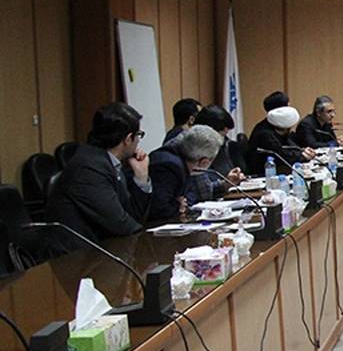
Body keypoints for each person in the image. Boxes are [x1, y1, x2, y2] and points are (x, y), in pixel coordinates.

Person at [45, 102, 152, 248]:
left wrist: (141, 177)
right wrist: (149, 237)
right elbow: (120, 224)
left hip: (100, 248)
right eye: (139, 135)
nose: (139, 141)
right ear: (128, 139)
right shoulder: (89, 167)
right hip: (75, 256)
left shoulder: (107, 162)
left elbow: (133, 216)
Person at [147, 125, 224, 221]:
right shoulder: (170, 166)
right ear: (204, 162)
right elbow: (159, 209)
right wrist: (178, 205)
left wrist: (182, 202)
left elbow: (190, 196)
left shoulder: (183, 163)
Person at [246, 105, 316, 176]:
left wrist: (302, 151)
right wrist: (301, 156)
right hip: (263, 172)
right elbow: (281, 155)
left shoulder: (273, 126)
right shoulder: (265, 135)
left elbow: (289, 144)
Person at [194, 104, 246, 180]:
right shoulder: (193, 152)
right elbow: (204, 183)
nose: (223, 140)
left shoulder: (227, 146)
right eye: (221, 135)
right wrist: (225, 182)